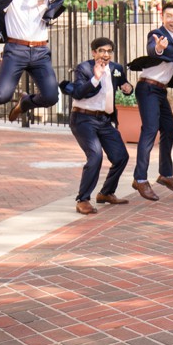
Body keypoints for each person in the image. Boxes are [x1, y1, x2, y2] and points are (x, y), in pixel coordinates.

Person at [127, 2, 173, 201]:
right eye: (169, 16)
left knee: (169, 129)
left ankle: (165, 174)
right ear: (162, 18)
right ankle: (140, 178)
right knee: (150, 130)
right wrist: (158, 48)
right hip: (147, 88)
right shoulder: (158, 34)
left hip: (160, 90)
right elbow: (152, 48)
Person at [60, 37, 133, 215]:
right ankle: (83, 199)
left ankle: (106, 193)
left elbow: (123, 82)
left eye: (108, 51)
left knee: (121, 156)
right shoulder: (84, 68)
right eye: (101, 51)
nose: (105, 54)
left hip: (105, 121)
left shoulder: (116, 68)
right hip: (83, 119)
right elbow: (77, 92)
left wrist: (128, 87)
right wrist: (96, 78)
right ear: (94, 52)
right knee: (95, 156)